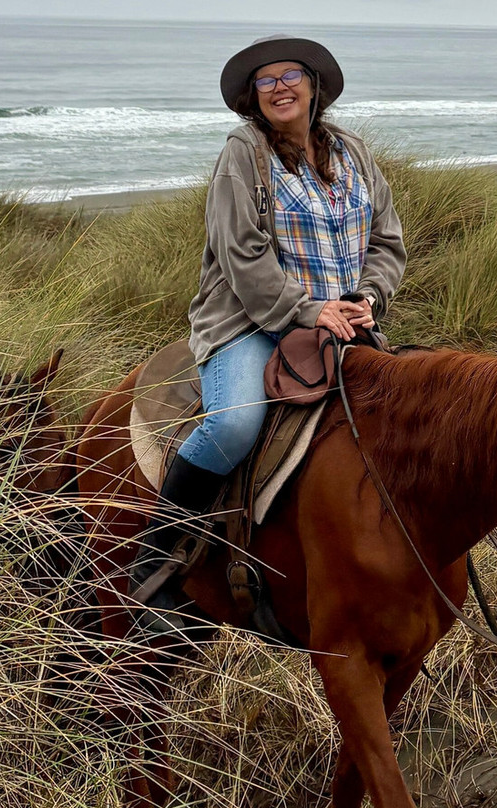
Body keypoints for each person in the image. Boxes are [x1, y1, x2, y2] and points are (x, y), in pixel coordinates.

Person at [129, 35, 407, 633]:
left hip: (342, 323)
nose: (280, 87)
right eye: (265, 80)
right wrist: (308, 312)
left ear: (313, 86)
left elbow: (386, 242)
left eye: (290, 75)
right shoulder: (244, 153)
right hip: (250, 320)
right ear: (253, 98)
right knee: (234, 424)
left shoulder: (354, 152)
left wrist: (367, 298)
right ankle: (157, 553)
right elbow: (241, 254)